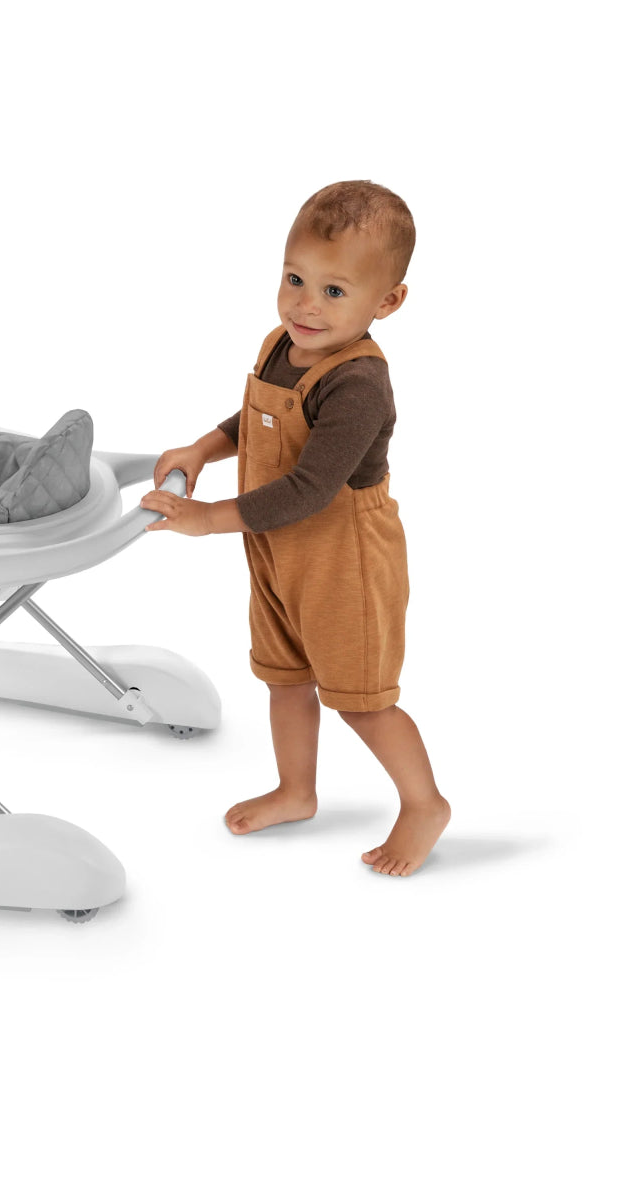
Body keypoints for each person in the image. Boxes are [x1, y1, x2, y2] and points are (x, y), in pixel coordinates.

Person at [141, 180, 449, 877]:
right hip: (275, 546)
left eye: (334, 291)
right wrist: (201, 449)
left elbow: (310, 489)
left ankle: (424, 803)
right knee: (284, 677)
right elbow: (253, 421)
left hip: (344, 557)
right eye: (295, 279)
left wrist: (208, 519)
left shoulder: (359, 384)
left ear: (388, 301)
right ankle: (296, 790)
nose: (306, 305)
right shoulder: (283, 343)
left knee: (360, 699)